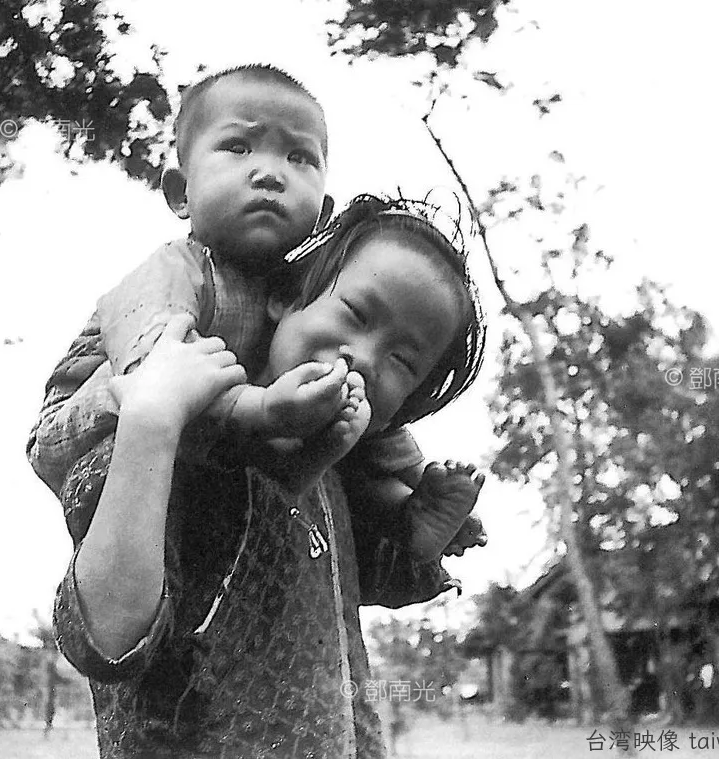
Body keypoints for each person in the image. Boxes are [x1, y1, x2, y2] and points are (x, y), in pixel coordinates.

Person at [53, 195, 487, 757]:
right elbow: (107, 638)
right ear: (286, 297)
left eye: (403, 362)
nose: (364, 356)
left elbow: (360, 580)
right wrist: (152, 421)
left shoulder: (336, 477)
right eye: (355, 315)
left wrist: (413, 532)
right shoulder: (181, 434)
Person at [27, 65, 485, 556]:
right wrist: (263, 411)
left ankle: (406, 515)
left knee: (347, 412)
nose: (270, 173)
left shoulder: (306, 299)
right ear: (181, 193)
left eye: (298, 157)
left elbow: (375, 426)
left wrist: (419, 474)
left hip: (218, 439)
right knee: (198, 383)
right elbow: (154, 372)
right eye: (238, 147)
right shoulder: (177, 269)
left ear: (322, 217)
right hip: (98, 420)